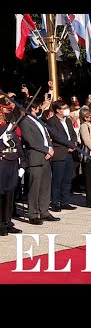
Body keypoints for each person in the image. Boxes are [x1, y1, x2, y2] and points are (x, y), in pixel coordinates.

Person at [19, 99, 59, 224]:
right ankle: (33, 214)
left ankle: (44, 211)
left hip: (46, 157)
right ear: (33, 108)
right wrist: (46, 150)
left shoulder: (39, 121)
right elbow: (31, 141)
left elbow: (47, 136)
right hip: (35, 158)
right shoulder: (25, 122)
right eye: (38, 107)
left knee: (45, 186)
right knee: (34, 188)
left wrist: (50, 149)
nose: (40, 108)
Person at [0, 94, 27, 235]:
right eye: (5, 109)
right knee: (0, 194)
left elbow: (17, 144)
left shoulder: (10, 123)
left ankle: (8, 222)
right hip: (2, 163)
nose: (8, 111)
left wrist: (22, 163)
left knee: (10, 194)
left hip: (12, 162)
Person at [46, 100, 78, 211]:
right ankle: (55, 202)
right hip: (59, 153)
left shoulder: (68, 121)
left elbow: (73, 134)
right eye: (64, 108)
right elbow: (56, 137)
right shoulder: (51, 122)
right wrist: (69, 144)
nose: (67, 110)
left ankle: (65, 201)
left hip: (69, 153)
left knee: (67, 178)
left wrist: (74, 143)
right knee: (57, 179)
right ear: (58, 110)